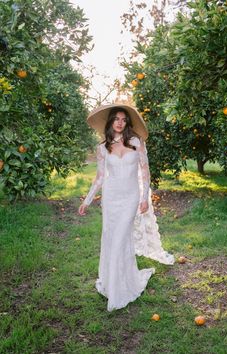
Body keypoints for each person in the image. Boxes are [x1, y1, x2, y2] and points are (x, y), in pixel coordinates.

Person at [78, 104, 174, 312]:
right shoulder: (102, 148)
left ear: (127, 123)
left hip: (130, 198)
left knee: (122, 238)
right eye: (116, 119)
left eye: (123, 119)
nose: (120, 123)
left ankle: (121, 289)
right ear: (110, 122)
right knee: (111, 239)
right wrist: (87, 200)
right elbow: (100, 177)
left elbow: (145, 172)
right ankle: (113, 283)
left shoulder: (136, 142)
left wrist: (144, 198)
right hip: (111, 199)